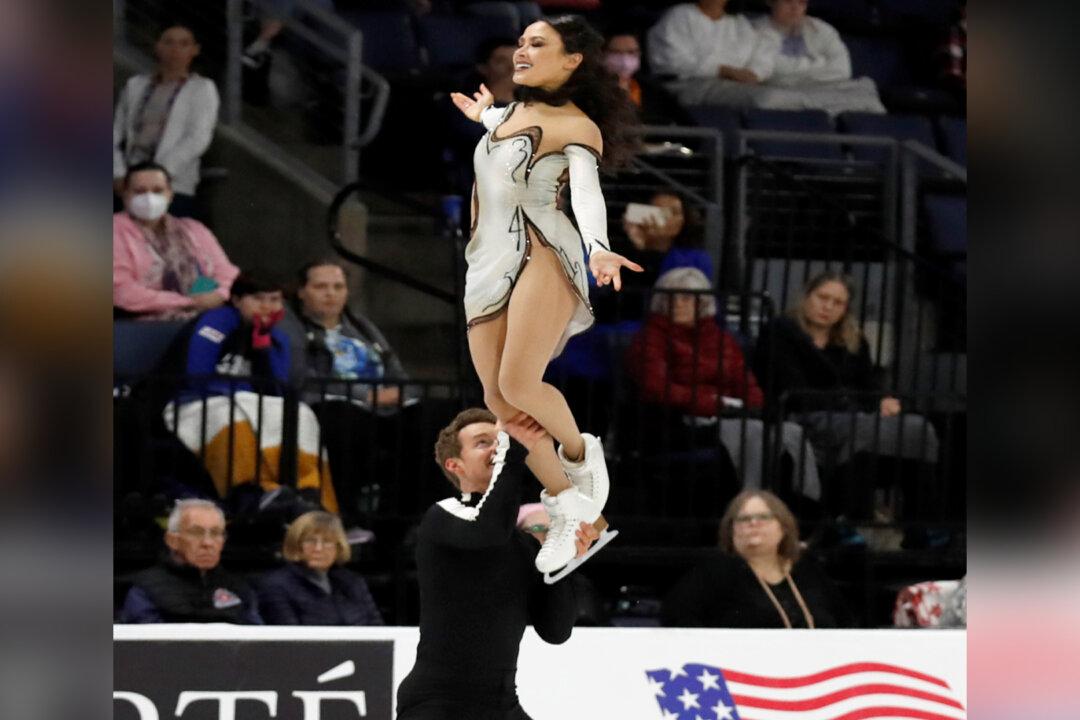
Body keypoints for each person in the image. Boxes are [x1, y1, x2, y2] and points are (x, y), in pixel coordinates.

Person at [449, 15, 642, 578]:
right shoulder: (510, 113)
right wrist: (482, 115)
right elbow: (502, 128)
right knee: (500, 403)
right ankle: (574, 512)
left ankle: (581, 455)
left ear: (571, 60)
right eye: (521, 42)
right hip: (486, 260)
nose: (522, 51)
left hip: (543, 250)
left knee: (518, 382)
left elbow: (586, 192)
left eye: (537, 44)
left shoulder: (577, 126)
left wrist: (599, 248)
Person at [396, 409, 599, 719]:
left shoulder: (525, 545)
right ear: (455, 465)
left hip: (502, 705)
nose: (497, 446)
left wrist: (565, 557)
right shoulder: (443, 515)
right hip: (439, 703)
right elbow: (488, 531)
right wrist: (513, 448)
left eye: (499, 439)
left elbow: (555, 631)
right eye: (483, 442)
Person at [626, 267, 821, 499]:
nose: (678, 304)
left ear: (703, 303)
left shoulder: (722, 339)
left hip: (730, 415)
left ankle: (808, 504)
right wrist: (713, 403)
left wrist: (754, 405)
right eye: (671, 297)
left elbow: (745, 381)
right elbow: (657, 388)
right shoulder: (650, 339)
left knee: (791, 432)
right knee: (752, 432)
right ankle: (752, 503)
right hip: (679, 422)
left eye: (687, 298)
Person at [752, 272, 940, 511]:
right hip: (800, 414)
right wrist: (859, 404)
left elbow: (869, 385)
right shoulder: (781, 331)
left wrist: (881, 401)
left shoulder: (854, 340)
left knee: (920, 429)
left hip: (853, 414)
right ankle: (852, 518)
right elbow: (794, 390)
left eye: (838, 303)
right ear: (807, 296)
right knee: (861, 430)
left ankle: (921, 521)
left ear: (846, 309)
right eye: (823, 297)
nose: (828, 307)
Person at [163, 272, 339, 515]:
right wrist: (243, 393)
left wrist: (264, 348)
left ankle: (309, 492)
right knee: (230, 418)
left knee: (300, 414)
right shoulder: (217, 321)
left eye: (274, 300)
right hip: (191, 400)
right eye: (258, 299)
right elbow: (196, 375)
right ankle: (249, 492)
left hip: (248, 402)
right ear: (236, 300)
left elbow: (278, 389)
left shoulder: (276, 336)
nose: (267, 307)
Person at [279, 259, 421, 521]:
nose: (330, 293)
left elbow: (398, 374)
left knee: (428, 420)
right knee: (346, 421)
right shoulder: (292, 326)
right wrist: (366, 396)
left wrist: (404, 393)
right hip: (330, 406)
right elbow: (302, 378)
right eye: (321, 287)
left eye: (338, 286)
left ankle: (412, 516)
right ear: (301, 291)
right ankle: (348, 516)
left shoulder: (362, 326)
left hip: (384, 408)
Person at [662, 490, 851, 627]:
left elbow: (844, 623)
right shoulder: (713, 574)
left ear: (784, 527)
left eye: (764, 517)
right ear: (731, 530)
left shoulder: (807, 571)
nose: (753, 523)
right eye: (744, 519)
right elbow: (677, 621)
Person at [113, 23, 219, 218]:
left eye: (183, 44)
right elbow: (114, 133)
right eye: (168, 42)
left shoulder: (202, 89)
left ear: (194, 50)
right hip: (128, 179)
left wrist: (157, 174)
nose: (175, 49)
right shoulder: (135, 85)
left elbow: (197, 138)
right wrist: (118, 172)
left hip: (173, 184)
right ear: (158, 46)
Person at [113, 161, 238, 320]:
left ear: (170, 195)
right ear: (125, 195)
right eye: (140, 191)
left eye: (158, 190)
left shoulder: (193, 228)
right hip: (141, 324)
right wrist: (187, 302)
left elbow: (226, 271)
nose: (149, 198)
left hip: (204, 317)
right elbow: (121, 291)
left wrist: (220, 293)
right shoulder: (113, 230)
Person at [118, 499, 262, 624]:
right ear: (172, 540)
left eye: (216, 533)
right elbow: (145, 641)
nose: (207, 543)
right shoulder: (146, 589)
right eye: (196, 532)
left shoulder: (239, 588)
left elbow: (257, 639)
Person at [745, 0, 886, 115]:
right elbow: (774, 73)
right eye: (788, 2)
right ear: (771, 2)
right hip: (785, 92)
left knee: (866, 88)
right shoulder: (753, 30)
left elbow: (842, 71)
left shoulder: (822, 29)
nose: (795, 8)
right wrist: (820, 64)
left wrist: (797, 72)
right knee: (770, 98)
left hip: (825, 90)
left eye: (801, 2)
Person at [256, 511, 384, 625]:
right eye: (310, 541)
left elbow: (378, 630)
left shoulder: (353, 582)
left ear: (338, 547)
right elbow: (290, 638)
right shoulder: (276, 586)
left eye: (327, 541)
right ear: (296, 544)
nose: (318, 548)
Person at [646, 0, 764, 108]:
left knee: (770, 95)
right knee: (764, 99)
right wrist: (721, 70)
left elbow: (756, 56)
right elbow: (671, 62)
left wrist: (753, 72)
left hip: (733, 85)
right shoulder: (680, 15)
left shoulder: (739, 23)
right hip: (687, 85)